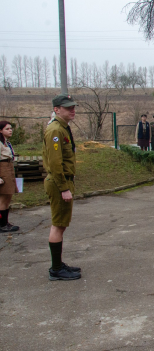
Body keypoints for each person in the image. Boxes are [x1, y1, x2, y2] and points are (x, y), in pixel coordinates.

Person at [43, 94, 81, 281]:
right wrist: (64, 188)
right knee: (58, 225)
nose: (72, 110)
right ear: (57, 109)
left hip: (64, 181)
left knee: (61, 225)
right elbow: (55, 164)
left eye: (73, 106)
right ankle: (56, 269)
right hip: (59, 183)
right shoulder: (55, 131)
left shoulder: (63, 128)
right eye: (68, 107)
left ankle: (58, 265)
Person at [0, 121, 19, 232]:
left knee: (8, 197)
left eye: (11, 128)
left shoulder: (6, 142)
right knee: (3, 198)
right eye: (7, 129)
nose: (10, 130)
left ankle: (5, 222)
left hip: (9, 167)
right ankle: (2, 224)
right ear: (0, 130)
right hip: (2, 169)